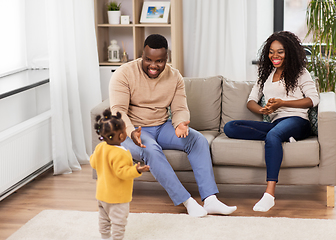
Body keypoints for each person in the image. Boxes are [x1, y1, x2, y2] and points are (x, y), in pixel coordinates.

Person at [109, 34, 236, 217]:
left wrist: (180, 123)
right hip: (132, 129)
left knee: (198, 140)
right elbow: (118, 110)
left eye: (159, 61)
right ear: (142, 55)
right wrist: (130, 132)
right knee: (150, 149)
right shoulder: (124, 73)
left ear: (166, 59)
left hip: (161, 126)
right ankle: (187, 201)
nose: (153, 65)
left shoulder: (174, 76)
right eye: (148, 60)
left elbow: (180, 107)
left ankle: (210, 200)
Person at [224, 31, 319, 212]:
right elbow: (251, 100)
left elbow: (313, 99)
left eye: (280, 52)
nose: (275, 56)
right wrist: (263, 110)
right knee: (231, 127)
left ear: (289, 52)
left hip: (297, 120)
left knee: (274, 135)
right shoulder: (266, 76)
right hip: (276, 123)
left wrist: (282, 103)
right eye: (271, 51)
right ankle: (281, 138)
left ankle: (269, 194)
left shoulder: (300, 73)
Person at [90, 109, 150, 240]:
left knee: (104, 219)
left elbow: (93, 163)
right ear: (121, 136)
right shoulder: (121, 153)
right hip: (117, 197)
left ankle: (105, 237)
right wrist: (137, 170)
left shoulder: (100, 148)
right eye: (124, 131)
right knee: (118, 222)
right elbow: (122, 173)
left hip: (102, 195)